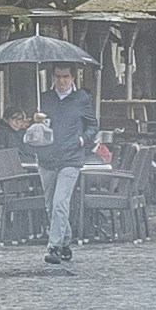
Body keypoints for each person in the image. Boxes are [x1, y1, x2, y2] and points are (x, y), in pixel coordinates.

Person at [32, 80, 98, 267]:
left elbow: (93, 125)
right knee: (51, 205)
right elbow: (40, 126)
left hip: (71, 158)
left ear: (72, 77)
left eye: (65, 76)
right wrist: (36, 119)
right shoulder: (44, 98)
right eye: (58, 76)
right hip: (47, 158)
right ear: (53, 76)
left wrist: (82, 140)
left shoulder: (81, 99)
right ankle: (65, 240)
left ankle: (53, 247)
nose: (62, 81)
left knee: (60, 202)